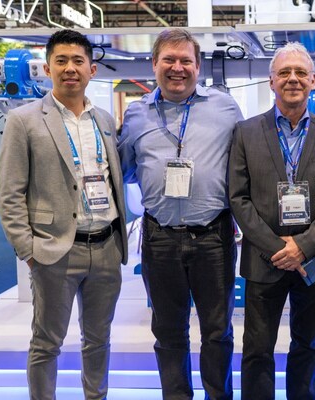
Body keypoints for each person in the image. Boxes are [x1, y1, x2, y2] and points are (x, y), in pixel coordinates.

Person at [0, 29, 128, 400]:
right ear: (48, 68)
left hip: (106, 247)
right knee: (47, 342)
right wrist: (29, 250)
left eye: (78, 61)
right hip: (54, 251)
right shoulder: (24, 120)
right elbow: (10, 193)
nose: (70, 68)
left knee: (99, 339)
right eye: (61, 60)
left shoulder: (104, 119)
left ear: (91, 69)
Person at [118, 28, 242, 400]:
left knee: (217, 332)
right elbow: (125, 169)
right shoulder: (136, 114)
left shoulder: (225, 108)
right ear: (153, 64)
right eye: (168, 60)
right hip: (160, 237)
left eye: (185, 60)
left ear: (198, 66)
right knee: (168, 332)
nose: (177, 68)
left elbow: (244, 165)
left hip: (213, 236)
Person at [228, 42, 315, 400]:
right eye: (284, 72)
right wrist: (277, 247)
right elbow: (238, 198)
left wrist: (303, 245)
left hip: (314, 259)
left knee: (306, 346)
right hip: (263, 258)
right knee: (256, 349)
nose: (292, 79)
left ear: (313, 80)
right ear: (271, 82)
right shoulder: (246, 132)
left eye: (300, 72)